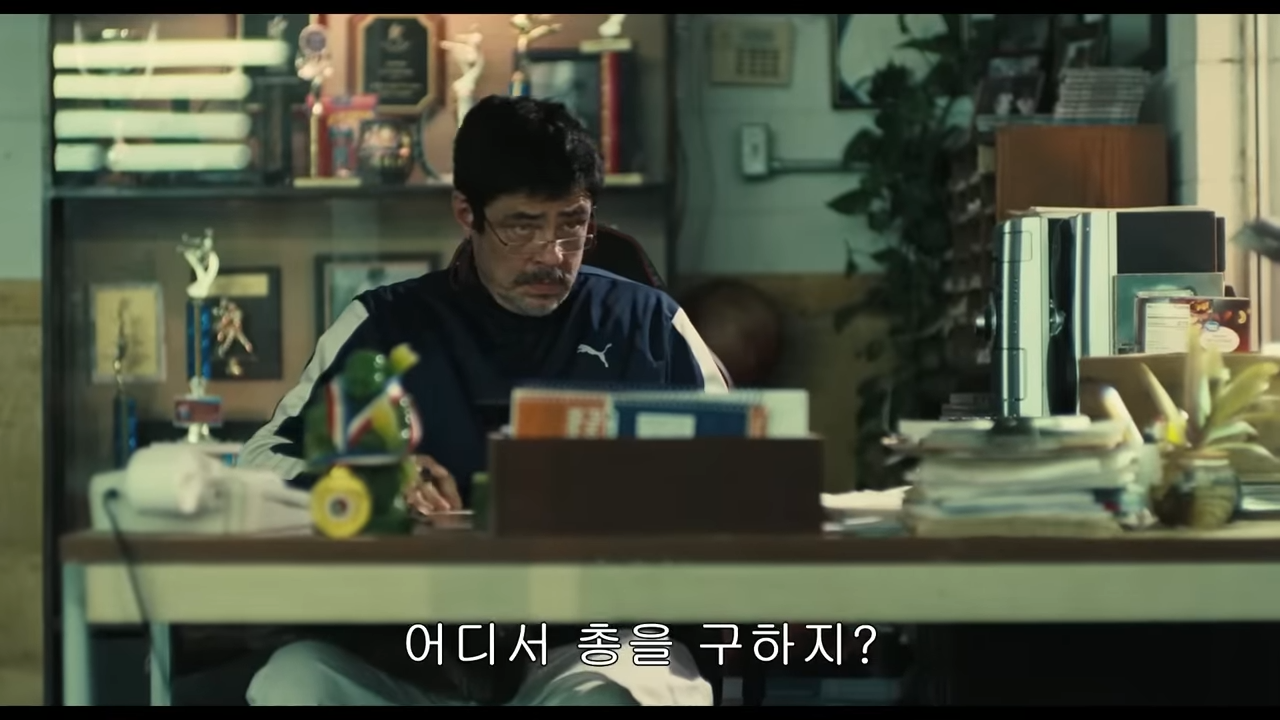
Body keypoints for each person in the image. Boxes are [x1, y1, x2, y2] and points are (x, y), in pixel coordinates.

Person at [230, 95, 728, 706]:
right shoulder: (387, 329)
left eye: (572, 223)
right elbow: (259, 464)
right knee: (294, 684)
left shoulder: (647, 326)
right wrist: (372, 485)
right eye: (522, 226)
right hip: (417, 650)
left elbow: (752, 473)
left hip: (598, 638)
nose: (552, 254)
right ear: (467, 212)